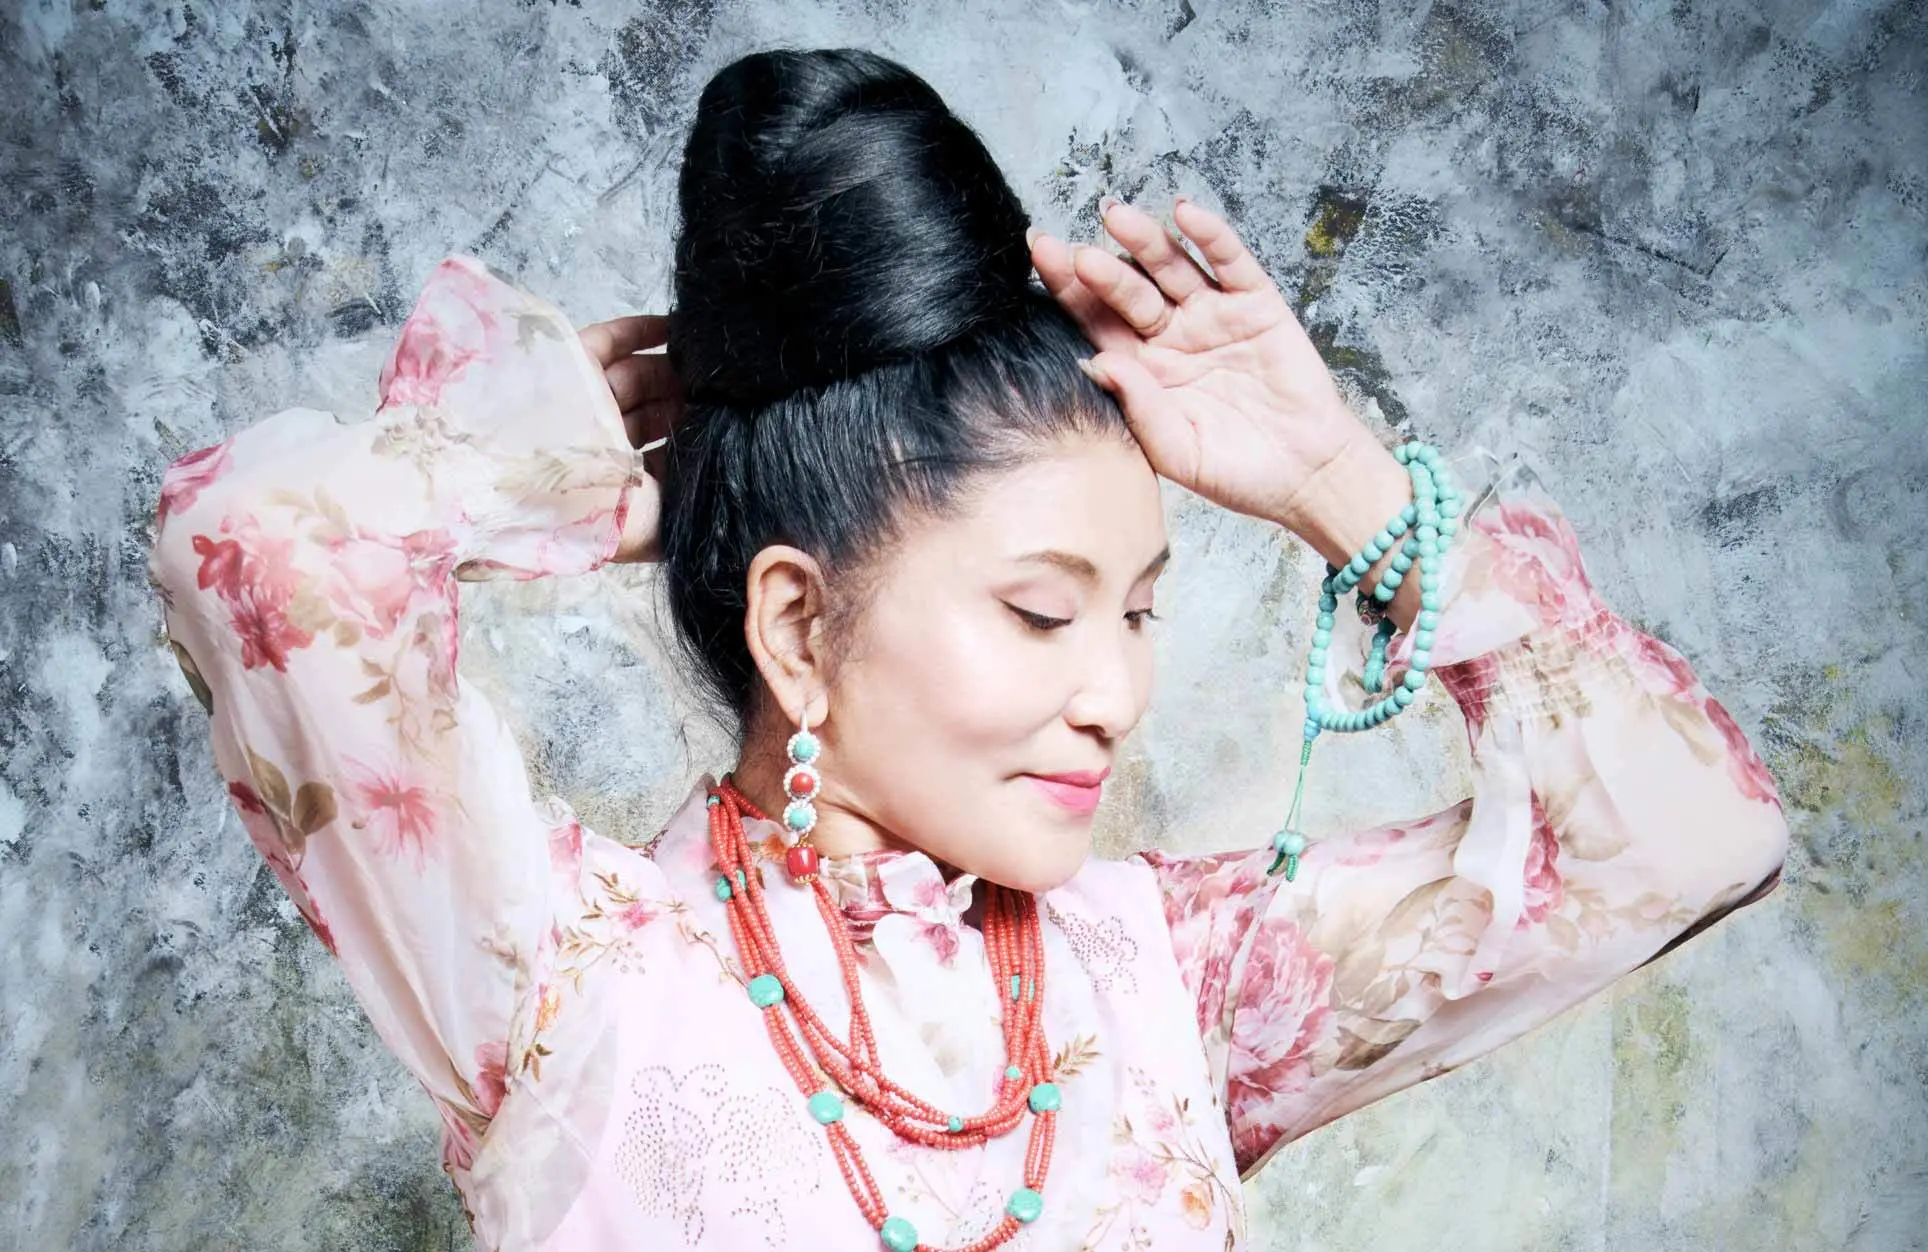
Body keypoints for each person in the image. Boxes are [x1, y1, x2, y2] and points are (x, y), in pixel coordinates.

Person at [147, 47, 1788, 1252]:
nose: (1118, 691)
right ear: (797, 627)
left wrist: (1338, 481)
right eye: (1040, 610)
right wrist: (541, 464)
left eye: (1140, 610)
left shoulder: (1178, 983)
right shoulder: (564, 971)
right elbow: (265, 550)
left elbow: (1690, 834)